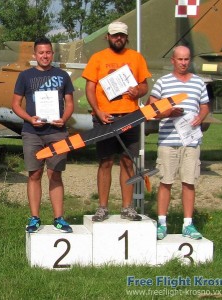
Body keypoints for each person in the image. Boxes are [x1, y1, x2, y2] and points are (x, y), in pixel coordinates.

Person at [82, 21, 151, 222]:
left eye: (121, 35)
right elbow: (89, 88)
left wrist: (138, 90)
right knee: (105, 162)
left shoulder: (136, 58)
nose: (117, 38)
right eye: (114, 35)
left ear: (126, 37)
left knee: (128, 162)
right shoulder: (98, 58)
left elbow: (144, 85)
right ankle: (102, 207)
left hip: (131, 116)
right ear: (108, 37)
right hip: (106, 118)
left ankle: (127, 207)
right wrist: (98, 111)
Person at [12, 37, 74, 233]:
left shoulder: (63, 75)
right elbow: (15, 104)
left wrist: (63, 118)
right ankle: (34, 218)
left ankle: (58, 218)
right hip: (32, 133)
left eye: (48, 52)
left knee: (55, 174)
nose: (44, 56)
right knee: (34, 174)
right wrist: (30, 119)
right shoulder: (25, 76)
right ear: (34, 55)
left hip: (57, 132)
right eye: (41, 53)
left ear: (52, 54)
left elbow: (70, 103)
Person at [147, 45, 210, 240]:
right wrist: (167, 112)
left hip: (190, 141)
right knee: (166, 181)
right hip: (168, 140)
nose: (183, 63)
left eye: (186, 59)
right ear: (172, 60)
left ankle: (188, 224)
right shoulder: (162, 83)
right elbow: (151, 108)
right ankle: (162, 223)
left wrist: (200, 117)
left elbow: (205, 106)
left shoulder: (198, 82)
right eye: (180, 59)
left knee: (189, 182)